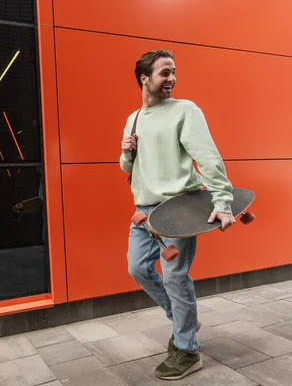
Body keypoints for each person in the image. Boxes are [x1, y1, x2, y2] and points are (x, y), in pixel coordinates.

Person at [119, 50, 235, 380]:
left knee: (174, 277)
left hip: (179, 207)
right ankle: (183, 317)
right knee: (137, 268)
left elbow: (207, 157)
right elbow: (127, 167)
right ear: (145, 78)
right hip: (144, 210)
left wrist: (223, 201)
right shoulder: (134, 118)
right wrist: (126, 151)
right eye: (164, 73)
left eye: (173, 72)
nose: (172, 78)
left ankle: (187, 350)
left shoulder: (185, 111)